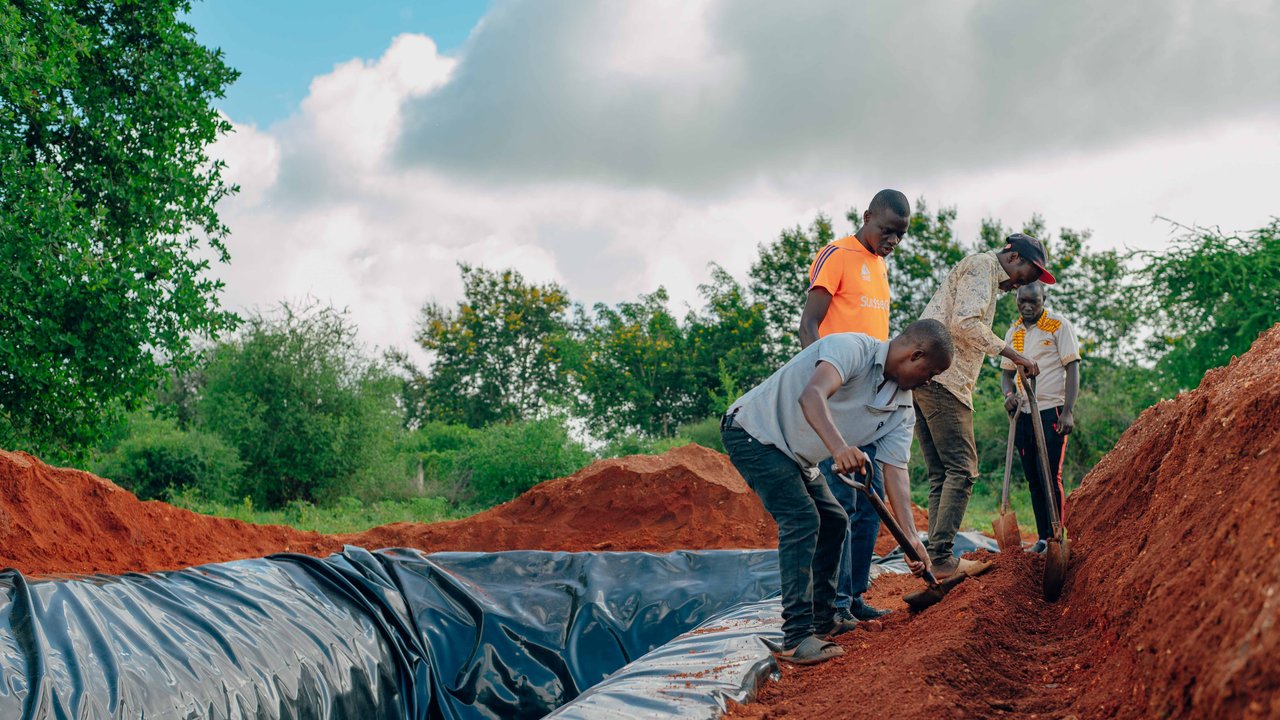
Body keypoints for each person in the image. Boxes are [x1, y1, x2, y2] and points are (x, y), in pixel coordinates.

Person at [720, 319, 953, 665]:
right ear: (914, 354)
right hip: (755, 432)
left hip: (797, 454)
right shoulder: (852, 348)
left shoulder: (902, 408)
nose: (928, 381)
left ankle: (825, 618)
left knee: (834, 520)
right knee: (802, 519)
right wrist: (840, 448)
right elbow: (811, 395)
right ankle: (796, 636)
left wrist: (910, 538)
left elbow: (896, 472)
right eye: (929, 371)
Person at [798, 188, 910, 623]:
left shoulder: (881, 267)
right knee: (840, 503)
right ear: (867, 217)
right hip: (839, 398)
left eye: (900, 235)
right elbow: (809, 324)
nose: (892, 241)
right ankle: (833, 605)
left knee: (870, 503)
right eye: (887, 231)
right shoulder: (837, 254)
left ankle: (854, 596)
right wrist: (822, 383)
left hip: (875, 403)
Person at [914, 233, 1055, 578]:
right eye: (1026, 273)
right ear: (1013, 255)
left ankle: (936, 559)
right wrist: (1015, 355)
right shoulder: (983, 266)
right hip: (944, 380)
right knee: (962, 470)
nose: (1022, 283)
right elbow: (966, 322)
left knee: (942, 475)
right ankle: (944, 557)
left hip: (924, 377)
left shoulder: (984, 273)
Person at [999, 282, 1081, 553]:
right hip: (1023, 412)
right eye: (1022, 301)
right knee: (1034, 477)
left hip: (1051, 410)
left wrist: (1068, 411)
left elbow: (1072, 368)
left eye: (1033, 301)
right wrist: (1008, 394)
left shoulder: (1059, 326)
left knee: (1050, 475)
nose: (1027, 306)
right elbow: (1006, 373)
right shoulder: (1014, 330)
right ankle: (1044, 538)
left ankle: (1058, 536)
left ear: (1044, 299)